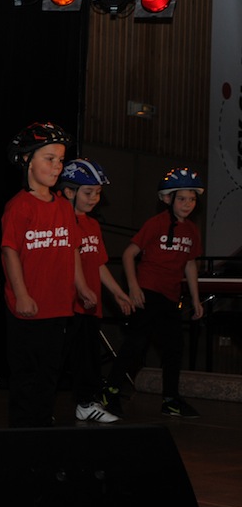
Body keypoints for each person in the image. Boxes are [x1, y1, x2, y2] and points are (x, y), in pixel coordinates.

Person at [1, 122, 96, 428]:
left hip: (58, 307)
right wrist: (22, 295)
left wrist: (82, 287)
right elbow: (10, 252)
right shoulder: (19, 206)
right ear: (27, 160)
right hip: (28, 308)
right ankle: (21, 430)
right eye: (49, 158)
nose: (57, 166)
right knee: (25, 374)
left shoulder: (65, 208)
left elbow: (73, 250)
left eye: (60, 160)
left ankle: (42, 427)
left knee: (49, 373)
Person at [107, 167, 205, 418]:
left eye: (192, 199)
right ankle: (110, 391)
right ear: (168, 199)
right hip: (148, 292)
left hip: (170, 297)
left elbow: (190, 264)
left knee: (174, 348)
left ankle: (170, 400)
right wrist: (133, 287)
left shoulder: (192, 230)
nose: (188, 204)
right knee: (136, 344)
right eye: (182, 199)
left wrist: (195, 299)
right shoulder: (156, 223)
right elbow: (129, 254)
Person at [56, 159, 133, 422]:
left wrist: (117, 292)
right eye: (88, 192)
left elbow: (99, 263)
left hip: (90, 305)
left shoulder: (92, 224)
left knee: (87, 358)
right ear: (69, 191)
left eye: (98, 193)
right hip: (65, 305)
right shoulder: (59, 222)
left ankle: (86, 403)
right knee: (56, 358)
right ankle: (39, 408)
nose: (94, 199)